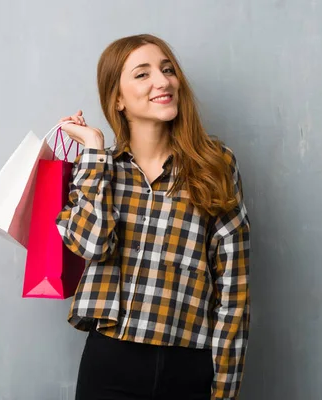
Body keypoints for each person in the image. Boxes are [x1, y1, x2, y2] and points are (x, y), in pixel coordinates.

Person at [55, 34, 250, 400]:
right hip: (111, 359)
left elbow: (233, 289)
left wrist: (225, 388)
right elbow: (93, 245)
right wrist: (95, 149)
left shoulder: (215, 164)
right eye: (142, 74)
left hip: (189, 361)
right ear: (117, 98)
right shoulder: (97, 167)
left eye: (167, 70)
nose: (163, 81)